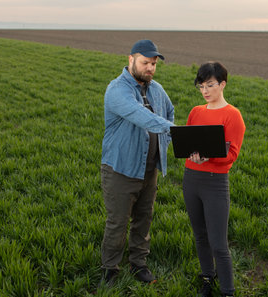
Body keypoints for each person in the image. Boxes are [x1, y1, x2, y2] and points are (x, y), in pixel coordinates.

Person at [99, 40, 174, 286]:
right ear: (131, 59)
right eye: (145, 62)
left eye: (153, 64)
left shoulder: (157, 89)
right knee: (118, 222)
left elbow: (169, 111)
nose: (150, 68)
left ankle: (138, 264)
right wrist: (178, 133)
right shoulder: (117, 89)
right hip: (121, 169)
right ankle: (110, 268)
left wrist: (167, 142)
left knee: (144, 218)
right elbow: (143, 117)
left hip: (149, 169)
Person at [183, 62, 246, 297]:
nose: (205, 91)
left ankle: (228, 291)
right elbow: (188, 142)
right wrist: (192, 155)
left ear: (222, 84)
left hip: (215, 183)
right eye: (201, 86)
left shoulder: (233, 115)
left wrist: (207, 157)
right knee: (200, 235)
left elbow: (231, 155)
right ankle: (208, 277)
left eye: (210, 85)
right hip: (191, 179)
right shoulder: (195, 112)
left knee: (218, 242)